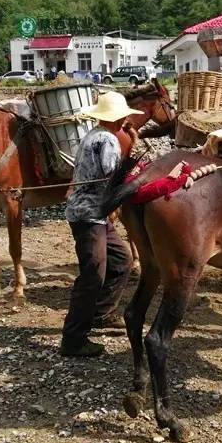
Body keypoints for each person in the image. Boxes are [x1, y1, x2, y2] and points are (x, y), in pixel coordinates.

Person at [60, 92, 143, 357]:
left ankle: (102, 313)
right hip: (89, 215)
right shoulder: (107, 139)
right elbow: (112, 175)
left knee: (121, 261)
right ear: (116, 117)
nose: (125, 120)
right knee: (92, 275)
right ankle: (73, 340)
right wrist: (139, 177)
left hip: (96, 213)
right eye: (123, 116)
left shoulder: (92, 134)